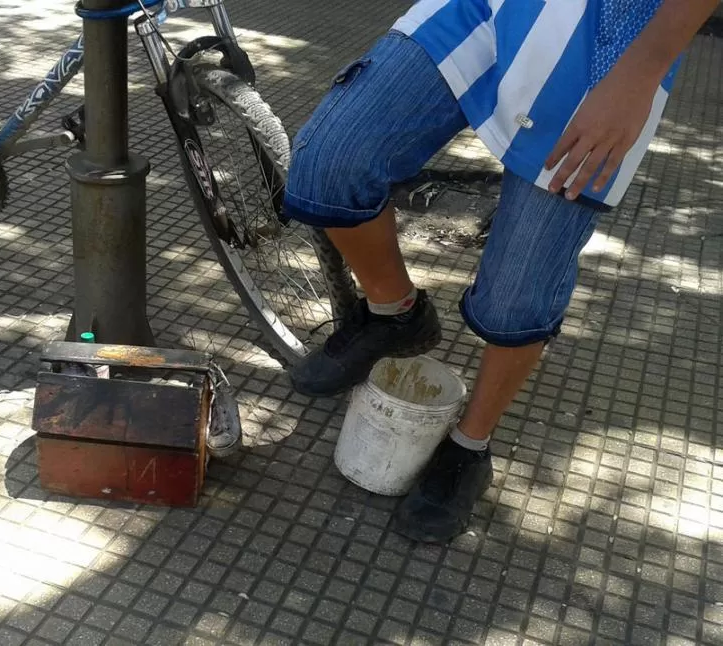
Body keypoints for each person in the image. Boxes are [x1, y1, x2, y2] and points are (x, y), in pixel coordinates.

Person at [284, 0, 718, 543]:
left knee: (516, 297)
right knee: (329, 162)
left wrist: (642, 69)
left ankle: (470, 445)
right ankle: (396, 313)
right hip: (484, 7)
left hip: (613, 40)